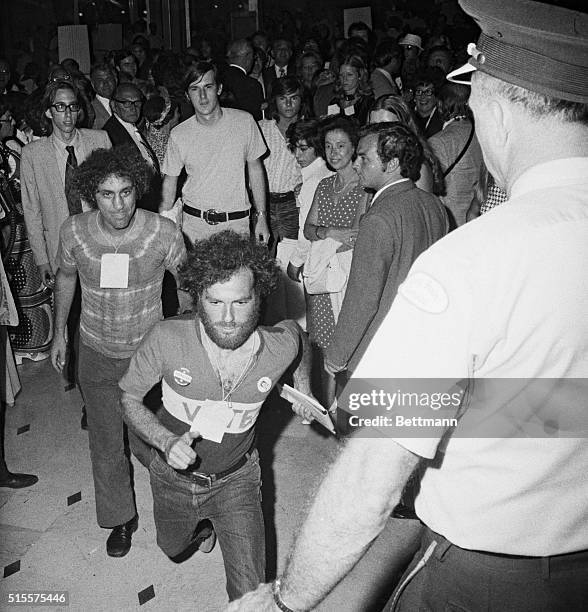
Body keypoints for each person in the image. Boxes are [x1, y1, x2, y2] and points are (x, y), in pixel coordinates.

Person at [227, 0, 588, 610]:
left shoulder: (476, 259)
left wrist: (287, 601)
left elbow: (373, 473)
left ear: (497, 108)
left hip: (492, 575)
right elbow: (553, 395)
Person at [119, 230, 316, 601]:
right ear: (197, 297)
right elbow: (128, 397)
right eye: (215, 302)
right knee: (172, 547)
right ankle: (203, 530)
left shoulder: (276, 346)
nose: (227, 318)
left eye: (240, 303)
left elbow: (300, 339)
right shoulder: (166, 339)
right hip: (172, 475)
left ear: (259, 298)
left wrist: (303, 387)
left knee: (250, 593)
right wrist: (164, 440)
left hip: (238, 479)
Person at [50, 147, 186, 558]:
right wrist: (60, 333)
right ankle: (120, 518)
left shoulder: (163, 232)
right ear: (92, 194)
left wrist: (187, 340)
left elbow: (189, 285)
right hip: (95, 350)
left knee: (160, 442)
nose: (119, 204)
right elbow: (66, 278)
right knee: (106, 443)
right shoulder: (74, 231)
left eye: (126, 192)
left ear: (137, 189)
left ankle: (186, 512)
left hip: (149, 357)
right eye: (107, 194)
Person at [325, 122, 449, 379]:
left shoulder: (378, 218)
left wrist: (337, 356)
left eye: (363, 158)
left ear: (391, 164)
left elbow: (363, 300)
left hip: (377, 351)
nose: (355, 164)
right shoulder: (434, 205)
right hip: (420, 344)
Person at [160, 61, 269, 243]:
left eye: (208, 87)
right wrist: (161, 228)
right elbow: (169, 185)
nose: (202, 96)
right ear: (187, 95)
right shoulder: (179, 134)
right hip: (194, 228)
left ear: (218, 89)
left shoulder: (244, 122)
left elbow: (256, 170)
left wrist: (262, 217)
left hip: (236, 226)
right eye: (195, 89)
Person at [303, 116, 369, 404]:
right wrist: (331, 232)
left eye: (341, 145)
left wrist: (324, 238)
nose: (334, 152)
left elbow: (356, 236)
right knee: (319, 341)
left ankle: (338, 408)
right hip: (321, 277)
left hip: (346, 276)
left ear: (354, 148)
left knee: (343, 342)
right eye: (328, 146)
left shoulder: (364, 187)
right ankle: (322, 406)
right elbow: (308, 229)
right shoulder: (324, 185)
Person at [20, 81, 111, 288]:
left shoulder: (100, 140)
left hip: (101, 244)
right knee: (69, 313)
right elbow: (31, 211)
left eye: (72, 106)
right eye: (60, 107)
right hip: (59, 248)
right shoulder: (33, 154)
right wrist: (41, 260)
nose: (68, 113)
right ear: (49, 112)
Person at [428, 81, 484, 226]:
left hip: (449, 223)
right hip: (474, 218)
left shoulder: (439, 142)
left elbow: (427, 188)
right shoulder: (481, 133)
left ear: (440, 105)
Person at [258, 77, 303, 255]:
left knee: (291, 258)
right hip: (264, 203)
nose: (289, 104)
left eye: (294, 98)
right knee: (261, 258)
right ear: (275, 101)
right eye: (283, 98)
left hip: (293, 204)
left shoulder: (308, 130)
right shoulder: (261, 128)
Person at [369, 94, 445, 196]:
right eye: (373, 126)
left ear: (404, 126)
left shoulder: (418, 168)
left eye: (387, 126)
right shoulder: (370, 161)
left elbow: (420, 209)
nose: (379, 132)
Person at [103, 83, 160, 211]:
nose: (134, 108)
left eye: (137, 102)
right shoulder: (109, 133)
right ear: (113, 105)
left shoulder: (132, 128)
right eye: (127, 103)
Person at [222, 39, 264, 121]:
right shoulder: (252, 85)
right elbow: (256, 121)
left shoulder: (217, 77)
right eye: (253, 57)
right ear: (248, 58)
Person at [328, 54, 373, 126]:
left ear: (360, 75)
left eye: (349, 75)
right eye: (341, 75)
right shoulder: (334, 102)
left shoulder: (367, 102)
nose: (344, 79)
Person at [89, 63, 117, 130]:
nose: (105, 83)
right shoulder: (90, 109)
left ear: (116, 80)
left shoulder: (125, 104)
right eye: (100, 80)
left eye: (109, 78)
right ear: (93, 84)